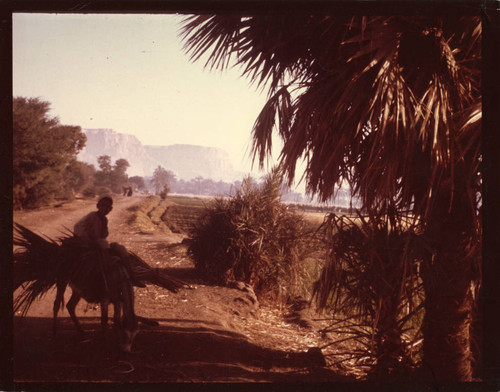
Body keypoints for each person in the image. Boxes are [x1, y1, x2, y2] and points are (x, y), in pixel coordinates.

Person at [74, 196, 145, 287]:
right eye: (103, 206)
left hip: (99, 242)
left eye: (108, 207)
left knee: (121, 249)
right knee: (104, 244)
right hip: (89, 242)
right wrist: (88, 240)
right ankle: (105, 274)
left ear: (111, 209)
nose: (105, 209)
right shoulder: (92, 215)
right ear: (98, 206)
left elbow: (103, 234)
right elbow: (78, 227)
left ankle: (131, 275)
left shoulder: (105, 219)